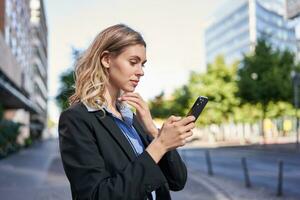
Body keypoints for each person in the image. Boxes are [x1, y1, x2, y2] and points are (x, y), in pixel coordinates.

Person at [58, 24, 196, 200]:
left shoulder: (132, 118)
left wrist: (154, 132)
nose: (141, 72)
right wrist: (159, 145)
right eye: (133, 62)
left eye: (143, 64)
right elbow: (95, 196)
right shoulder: (77, 118)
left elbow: (178, 181)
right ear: (106, 59)